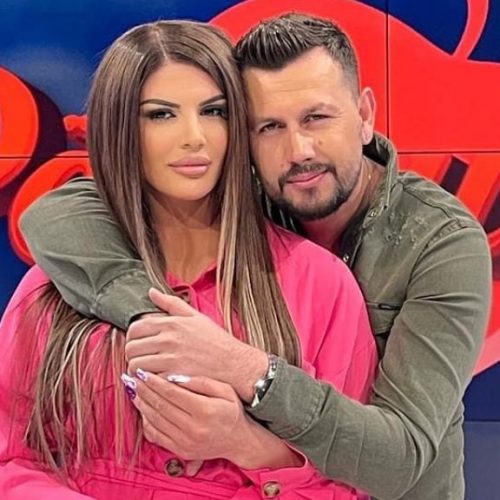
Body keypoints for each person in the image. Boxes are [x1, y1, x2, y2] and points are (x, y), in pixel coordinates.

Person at [19, 13, 492, 500]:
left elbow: (398, 462)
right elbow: (56, 214)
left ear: (365, 115)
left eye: (317, 118)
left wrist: (244, 372)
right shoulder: (242, 192)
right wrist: (154, 316)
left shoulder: (441, 243)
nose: (298, 150)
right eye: (268, 126)